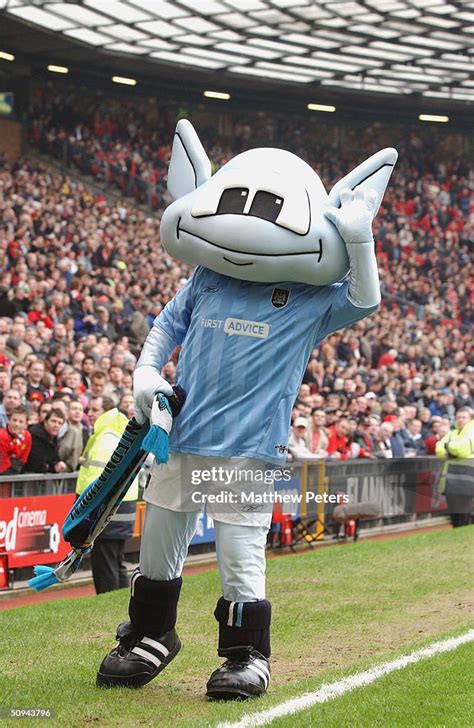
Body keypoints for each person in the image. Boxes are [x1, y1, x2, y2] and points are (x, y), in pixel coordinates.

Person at [96, 120, 397, 696]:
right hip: (180, 435)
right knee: (160, 542)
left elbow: (365, 298)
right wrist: (144, 371)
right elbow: (165, 326)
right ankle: (151, 635)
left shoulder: (310, 297)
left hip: (248, 448)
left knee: (238, 554)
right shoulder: (207, 277)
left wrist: (359, 240)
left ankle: (244, 655)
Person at [76, 395, 138, 594]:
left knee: (105, 566)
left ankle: (108, 603)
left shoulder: (106, 438)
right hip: (122, 509)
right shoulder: (116, 432)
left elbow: (97, 484)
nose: (89, 414)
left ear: (106, 411)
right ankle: (119, 602)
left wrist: (85, 512)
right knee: (116, 561)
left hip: (107, 511)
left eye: (94, 410)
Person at [435, 408, 474, 528]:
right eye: (458, 417)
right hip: (451, 479)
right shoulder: (451, 433)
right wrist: (450, 448)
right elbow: (439, 450)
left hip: (468, 479)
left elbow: (461, 450)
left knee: (464, 510)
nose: (460, 420)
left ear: (470, 419)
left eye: (464, 417)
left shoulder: (472, 432)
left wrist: (448, 447)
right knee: (453, 510)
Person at [24, 408, 67, 474]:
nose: (56, 425)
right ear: (45, 422)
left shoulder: (53, 436)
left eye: (60, 423)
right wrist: (53, 467)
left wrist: (58, 464)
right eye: (53, 421)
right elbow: (36, 463)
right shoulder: (35, 435)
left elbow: (54, 458)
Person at [0, 406, 32, 474]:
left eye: (21, 422)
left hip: (16, 470)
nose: (17, 424)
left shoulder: (27, 436)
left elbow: (23, 459)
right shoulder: (2, 435)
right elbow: (3, 462)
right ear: (8, 420)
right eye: (14, 420)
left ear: (26, 425)